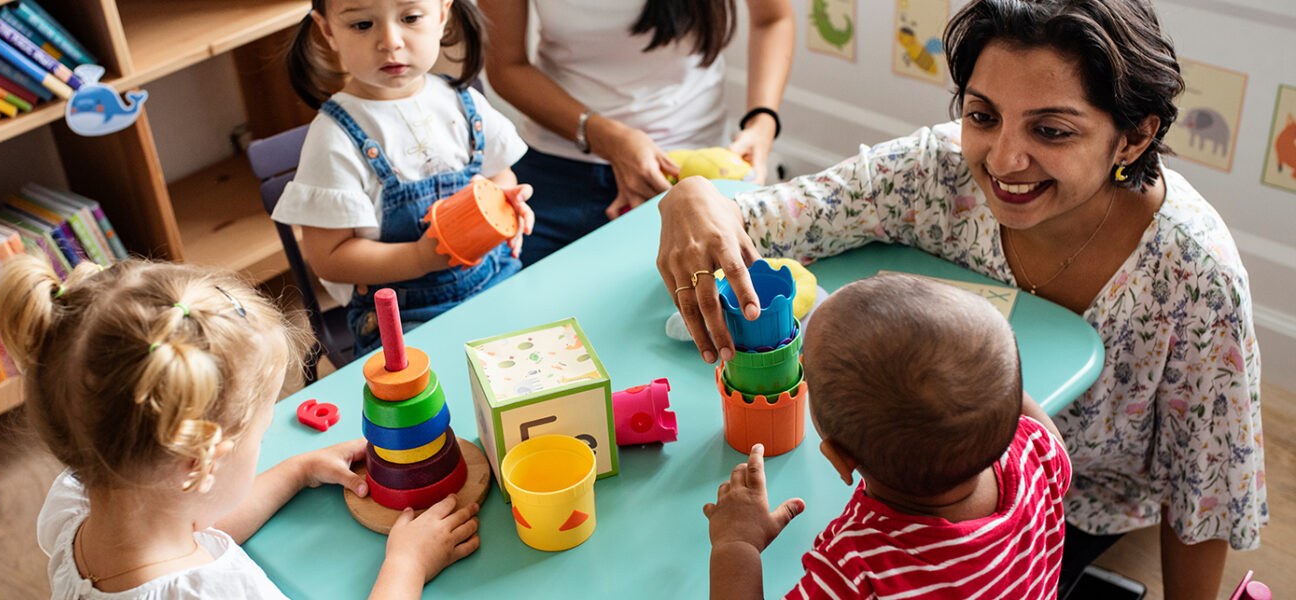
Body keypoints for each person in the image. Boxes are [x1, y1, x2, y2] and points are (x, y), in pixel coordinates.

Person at [658, 1, 1265, 598]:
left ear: (1134, 138)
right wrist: (695, 198)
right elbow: (775, 218)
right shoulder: (933, 173)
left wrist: (736, 552)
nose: (1002, 160)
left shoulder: (1195, 272)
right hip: (918, 479)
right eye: (981, 115)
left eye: (1050, 130)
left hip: (1080, 506)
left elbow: (1204, 489)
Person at [0, 257, 480, 598]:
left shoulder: (77, 504)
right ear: (199, 462)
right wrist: (407, 567)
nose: (264, 442)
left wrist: (296, 470)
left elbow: (194, 524)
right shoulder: (216, 592)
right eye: (262, 433)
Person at [704, 273, 1072, 599]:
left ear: (839, 458)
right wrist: (977, 370)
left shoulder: (858, 571)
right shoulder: (1036, 456)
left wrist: (737, 545)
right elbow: (1019, 410)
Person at [277, 0, 536, 357]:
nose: (391, 41)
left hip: (497, 278)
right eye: (363, 25)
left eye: (411, 18)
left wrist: (508, 202)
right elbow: (329, 258)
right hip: (405, 316)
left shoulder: (462, 101)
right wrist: (420, 257)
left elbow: (498, 174)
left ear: (443, 14)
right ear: (327, 31)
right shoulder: (333, 138)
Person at [480, 0, 794, 266]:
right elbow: (506, 65)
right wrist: (606, 137)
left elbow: (773, 19)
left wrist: (762, 123)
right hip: (557, 170)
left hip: (693, 171)